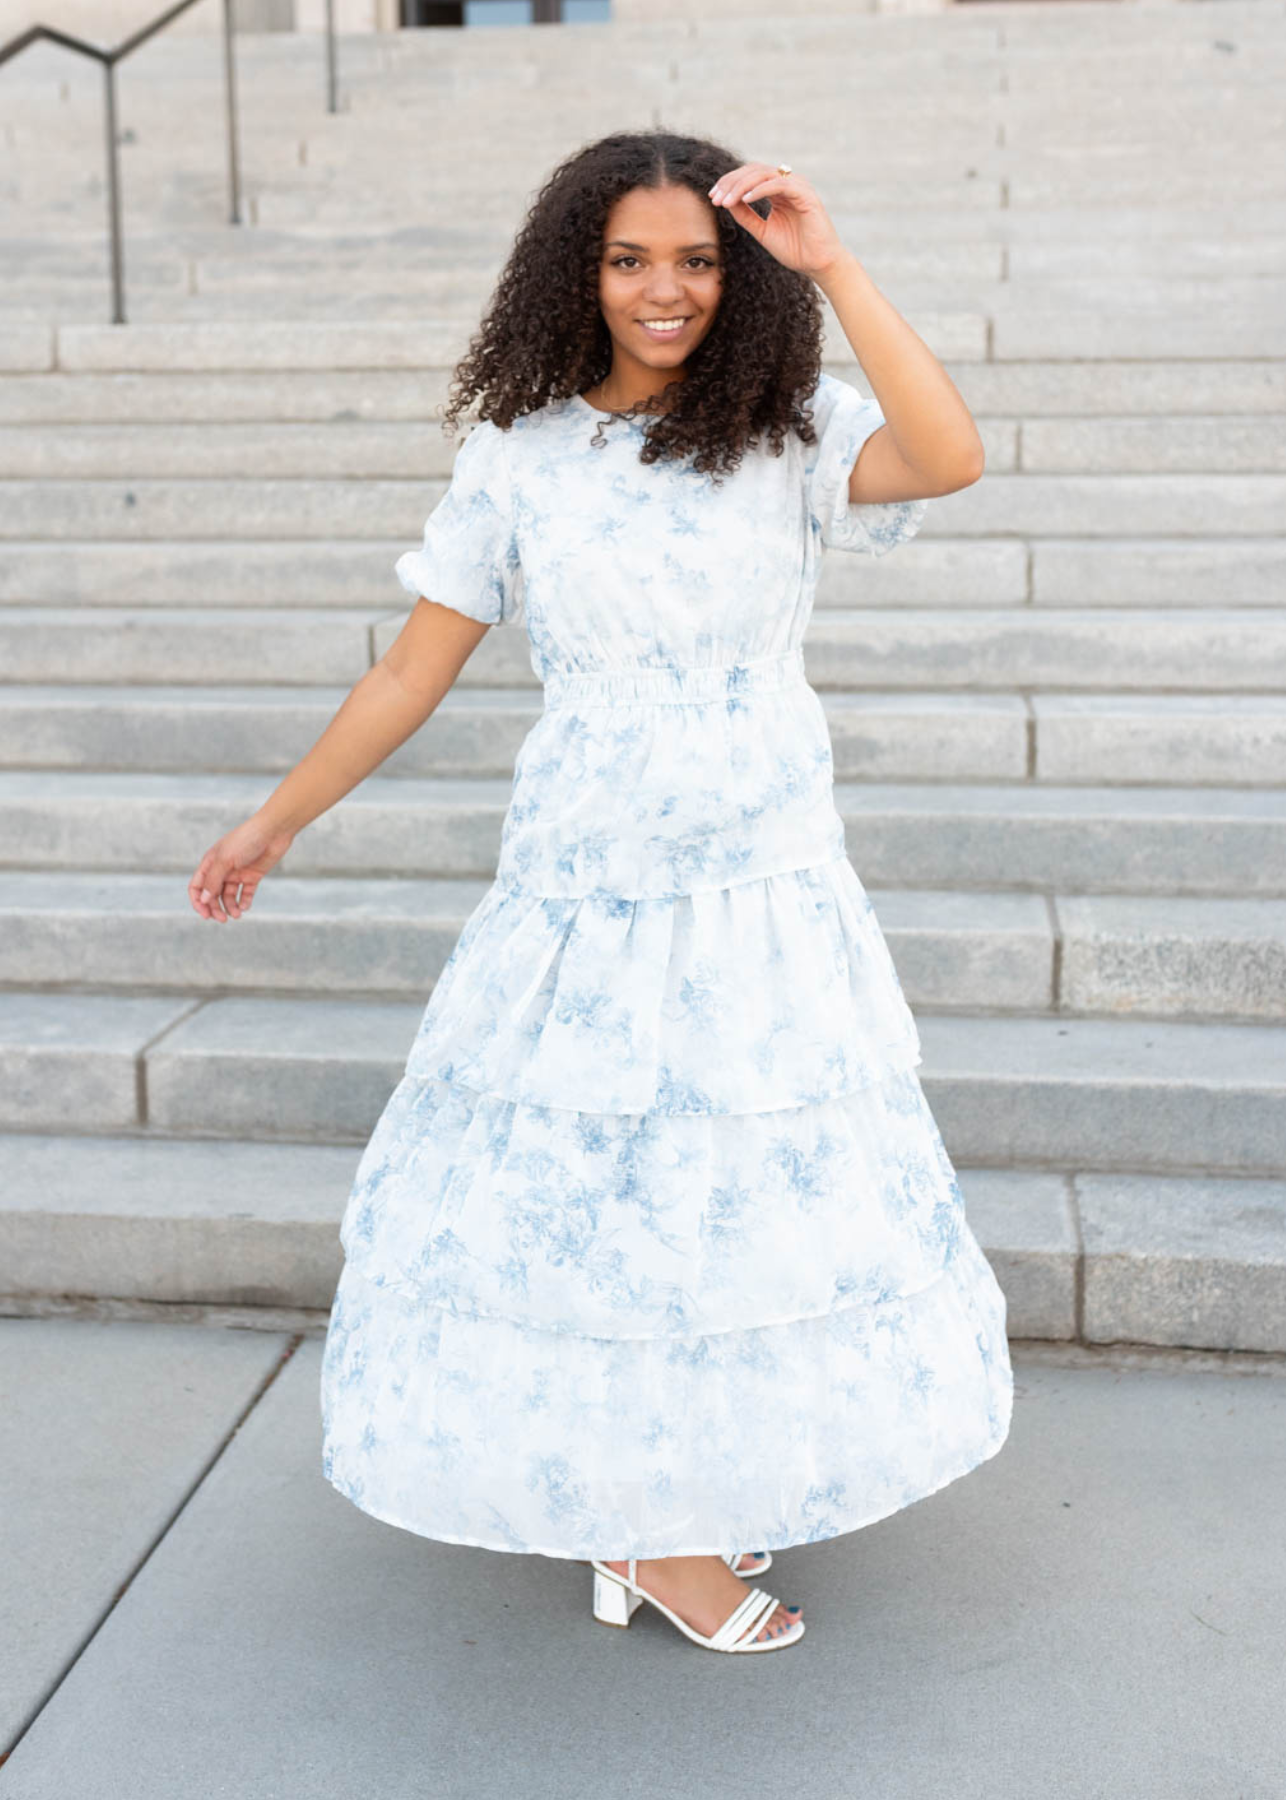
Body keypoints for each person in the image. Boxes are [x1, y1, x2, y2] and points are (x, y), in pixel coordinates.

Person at [187, 129, 1013, 1656]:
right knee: (607, 1201)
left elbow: (950, 454)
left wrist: (829, 261)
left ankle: (670, 1498)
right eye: (629, 258)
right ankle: (648, 1531)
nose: (663, 290)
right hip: (591, 884)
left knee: (730, 1195)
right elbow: (411, 668)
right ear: (577, 269)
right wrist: (278, 818)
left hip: (760, 880)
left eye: (697, 259)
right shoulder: (518, 453)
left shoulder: (785, 430)